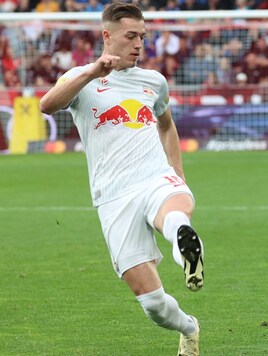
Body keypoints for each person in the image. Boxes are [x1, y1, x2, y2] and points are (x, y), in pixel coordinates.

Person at [39, 3, 204, 355]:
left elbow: (166, 125)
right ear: (107, 35)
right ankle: (189, 328)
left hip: (154, 176)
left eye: (142, 37)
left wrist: (178, 174)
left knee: (175, 213)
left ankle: (186, 244)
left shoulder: (153, 81)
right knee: (154, 306)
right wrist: (92, 73)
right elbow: (47, 105)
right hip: (112, 196)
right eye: (131, 36)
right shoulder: (80, 78)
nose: (138, 44)